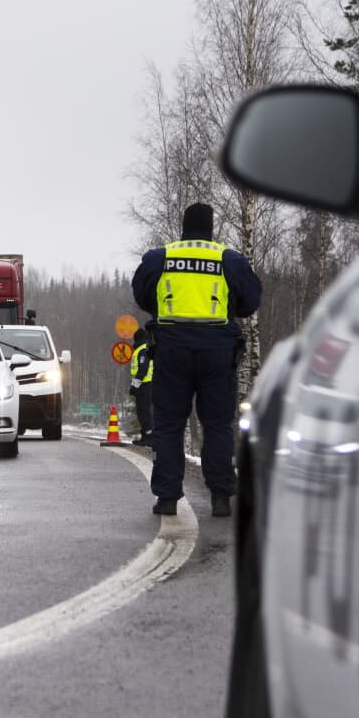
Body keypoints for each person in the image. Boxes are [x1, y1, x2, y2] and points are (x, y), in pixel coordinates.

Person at [131, 203, 261, 517]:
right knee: (217, 424)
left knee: (169, 425)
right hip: (217, 351)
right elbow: (251, 301)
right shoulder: (227, 258)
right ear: (211, 226)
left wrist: (164, 312)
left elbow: (141, 293)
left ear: (183, 225)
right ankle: (219, 496)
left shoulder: (160, 257)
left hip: (172, 349)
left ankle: (167, 498)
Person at [129, 326, 154, 445]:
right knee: (142, 411)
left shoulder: (143, 350)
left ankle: (150, 437)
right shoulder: (141, 349)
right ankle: (146, 436)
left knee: (144, 411)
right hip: (144, 384)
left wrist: (135, 386)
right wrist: (134, 385)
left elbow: (143, 369)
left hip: (145, 385)